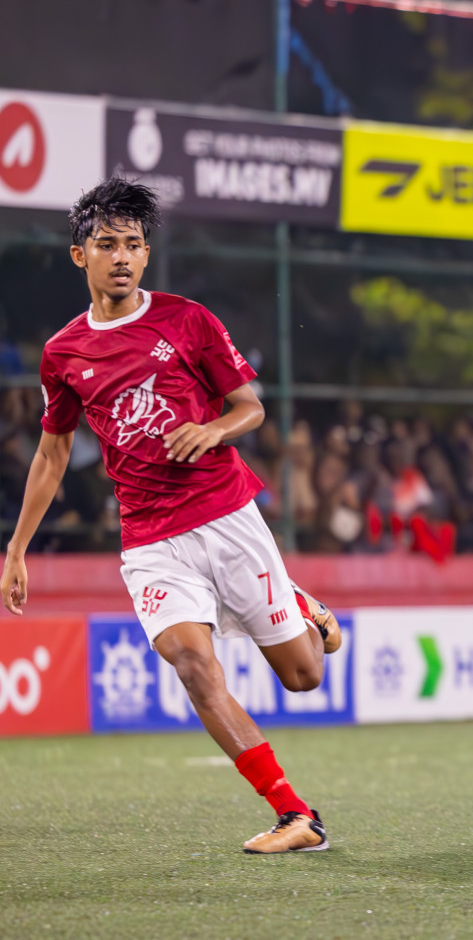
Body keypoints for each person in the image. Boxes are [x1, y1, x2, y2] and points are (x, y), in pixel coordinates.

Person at [0, 179, 345, 855]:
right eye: (107, 245)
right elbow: (52, 452)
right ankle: (295, 815)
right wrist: (16, 551)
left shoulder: (187, 319)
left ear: (146, 254)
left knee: (305, 677)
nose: (121, 257)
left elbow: (250, 406)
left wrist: (215, 431)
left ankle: (306, 612)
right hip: (151, 540)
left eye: (133, 245)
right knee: (192, 664)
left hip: (225, 516)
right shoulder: (63, 354)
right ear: (80, 256)